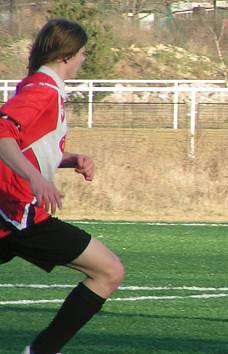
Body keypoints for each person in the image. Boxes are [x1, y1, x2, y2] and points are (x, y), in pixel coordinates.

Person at [0, 19, 125, 354]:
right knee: (109, 271)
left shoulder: (40, 86)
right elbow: (2, 132)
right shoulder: (43, 90)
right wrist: (34, 177)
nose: (84, 60)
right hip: (16, 214)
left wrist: (68, 160)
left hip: (13, 212)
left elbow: (26, 147)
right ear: (67, 56)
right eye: (82, 54)